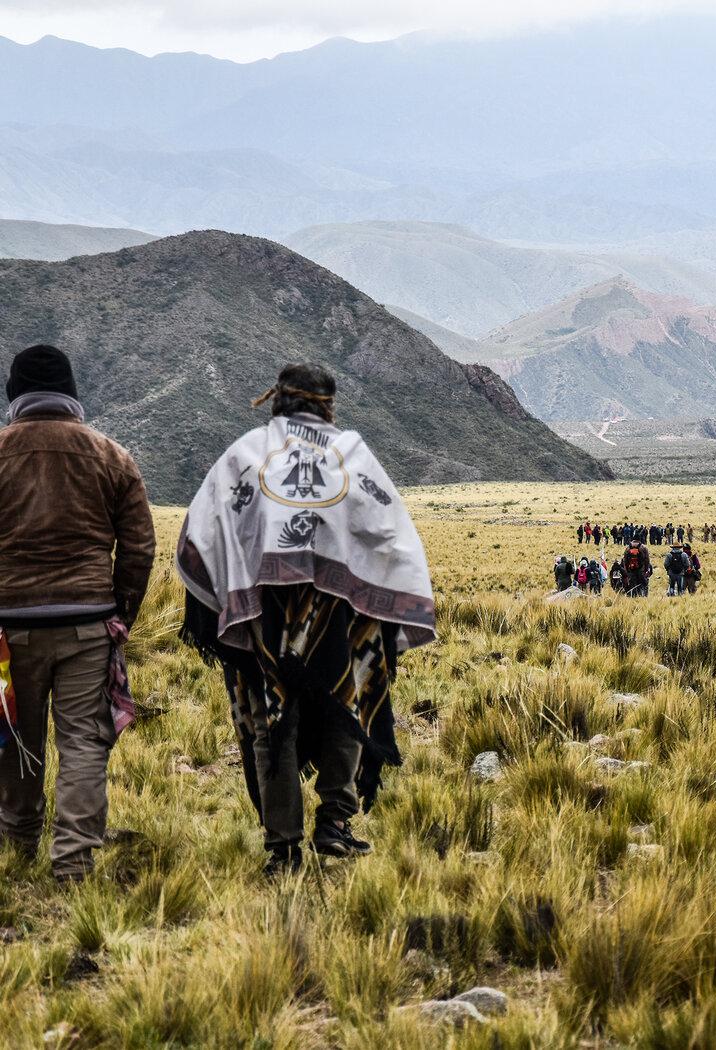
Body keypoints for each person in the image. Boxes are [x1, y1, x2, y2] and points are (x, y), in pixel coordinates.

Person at [176, 364, 435, 875]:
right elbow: (390, 535)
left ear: (277, 400)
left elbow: (202, 533)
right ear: (327, 405)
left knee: (274, 718)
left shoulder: (246, 455)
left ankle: (283, 846)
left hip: (262, 614)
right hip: (342, 613)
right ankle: (335, 822)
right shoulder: (352, 456)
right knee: (347, 704)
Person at [0, 345, 156, 882]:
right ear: (72, 396)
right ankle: (72, 861)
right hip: (88, 625)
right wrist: (120, 616)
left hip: (9, 629)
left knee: (17, 733)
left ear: (14, 397)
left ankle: (17, 838)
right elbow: (139, 549)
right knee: (83, 744)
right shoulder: (111, 456)